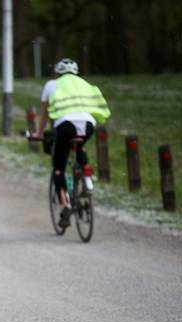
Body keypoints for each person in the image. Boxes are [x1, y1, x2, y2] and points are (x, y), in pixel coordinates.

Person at [33, 58, 110, 228]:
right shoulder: (86, 84)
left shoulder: (51, 85)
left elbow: (45, 115)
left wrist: (38, 134)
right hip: (88, 125)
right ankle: (86, 174)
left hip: (66, 126)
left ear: (58, 72)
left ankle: (65, 203)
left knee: (59, 167)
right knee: (79, 146)